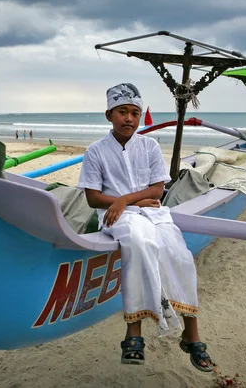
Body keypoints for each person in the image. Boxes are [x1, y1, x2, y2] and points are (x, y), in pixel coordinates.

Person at [78, 83, 214, 372]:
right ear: (109, 115)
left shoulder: (150, 146)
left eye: (135, 113)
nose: (129, 118)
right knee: (139, 246)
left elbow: (157, 190)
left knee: (179, 254)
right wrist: (126, 205)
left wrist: (125, 199)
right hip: (119, 218)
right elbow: (92, 197)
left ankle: (191, 334)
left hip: (151, 213)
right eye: (123, 112)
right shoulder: (95, 151)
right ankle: (134, 331)